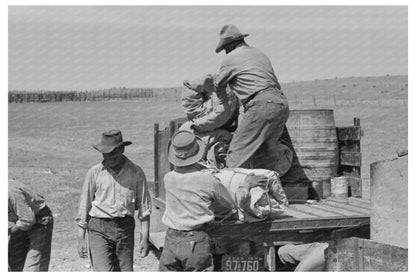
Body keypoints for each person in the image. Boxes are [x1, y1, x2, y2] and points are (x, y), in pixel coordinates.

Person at [158, 130, 265, 271]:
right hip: (195, 241)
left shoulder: (169, 178)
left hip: (171, 239)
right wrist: (246, 183)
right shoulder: (207, 180)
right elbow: (232, 202)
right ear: (198, 153)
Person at [212, 24, 290, 171]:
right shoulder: (259, 53)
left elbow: (219, 85)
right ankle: (272, 185)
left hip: (261, 105)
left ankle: (231, 189)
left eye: (225, 48)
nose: (225, 52)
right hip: (280, 103)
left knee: (237, 151)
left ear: (230, 45)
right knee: (267, 151)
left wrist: (224, 109)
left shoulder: (231, 58)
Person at [75, 129, 152, 271]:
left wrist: (144, 238)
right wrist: (81, 238)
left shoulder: (136, 172)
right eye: (106, 153)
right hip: (99, 227)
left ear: (122, 149)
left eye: (114, 152)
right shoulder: (95, 172)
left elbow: (144, 208)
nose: (110, 157)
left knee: (125, 270)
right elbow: (84, 205)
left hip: (125, 228)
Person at [8, 180, 54, 271]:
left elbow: (28, 219)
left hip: (39, 221)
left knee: (33, 267)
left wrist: (9, 230)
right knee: (13, 264)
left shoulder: (10, 192)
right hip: (17, 222)